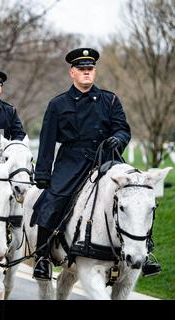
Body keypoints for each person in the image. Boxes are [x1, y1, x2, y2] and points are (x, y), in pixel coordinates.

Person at [31, 47, 158, 280]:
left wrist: (117, 139)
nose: (87, 73)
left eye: (90, 69)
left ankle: (145, 252)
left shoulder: (110, 100)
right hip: (71, 161)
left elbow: (123, 129)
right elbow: (47, 141)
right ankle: (43, 258)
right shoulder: (58, 104)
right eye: (82, 69)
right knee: (53, 198)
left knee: (136, 197)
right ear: (72, 73)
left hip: (106, 158)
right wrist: (43, 173)